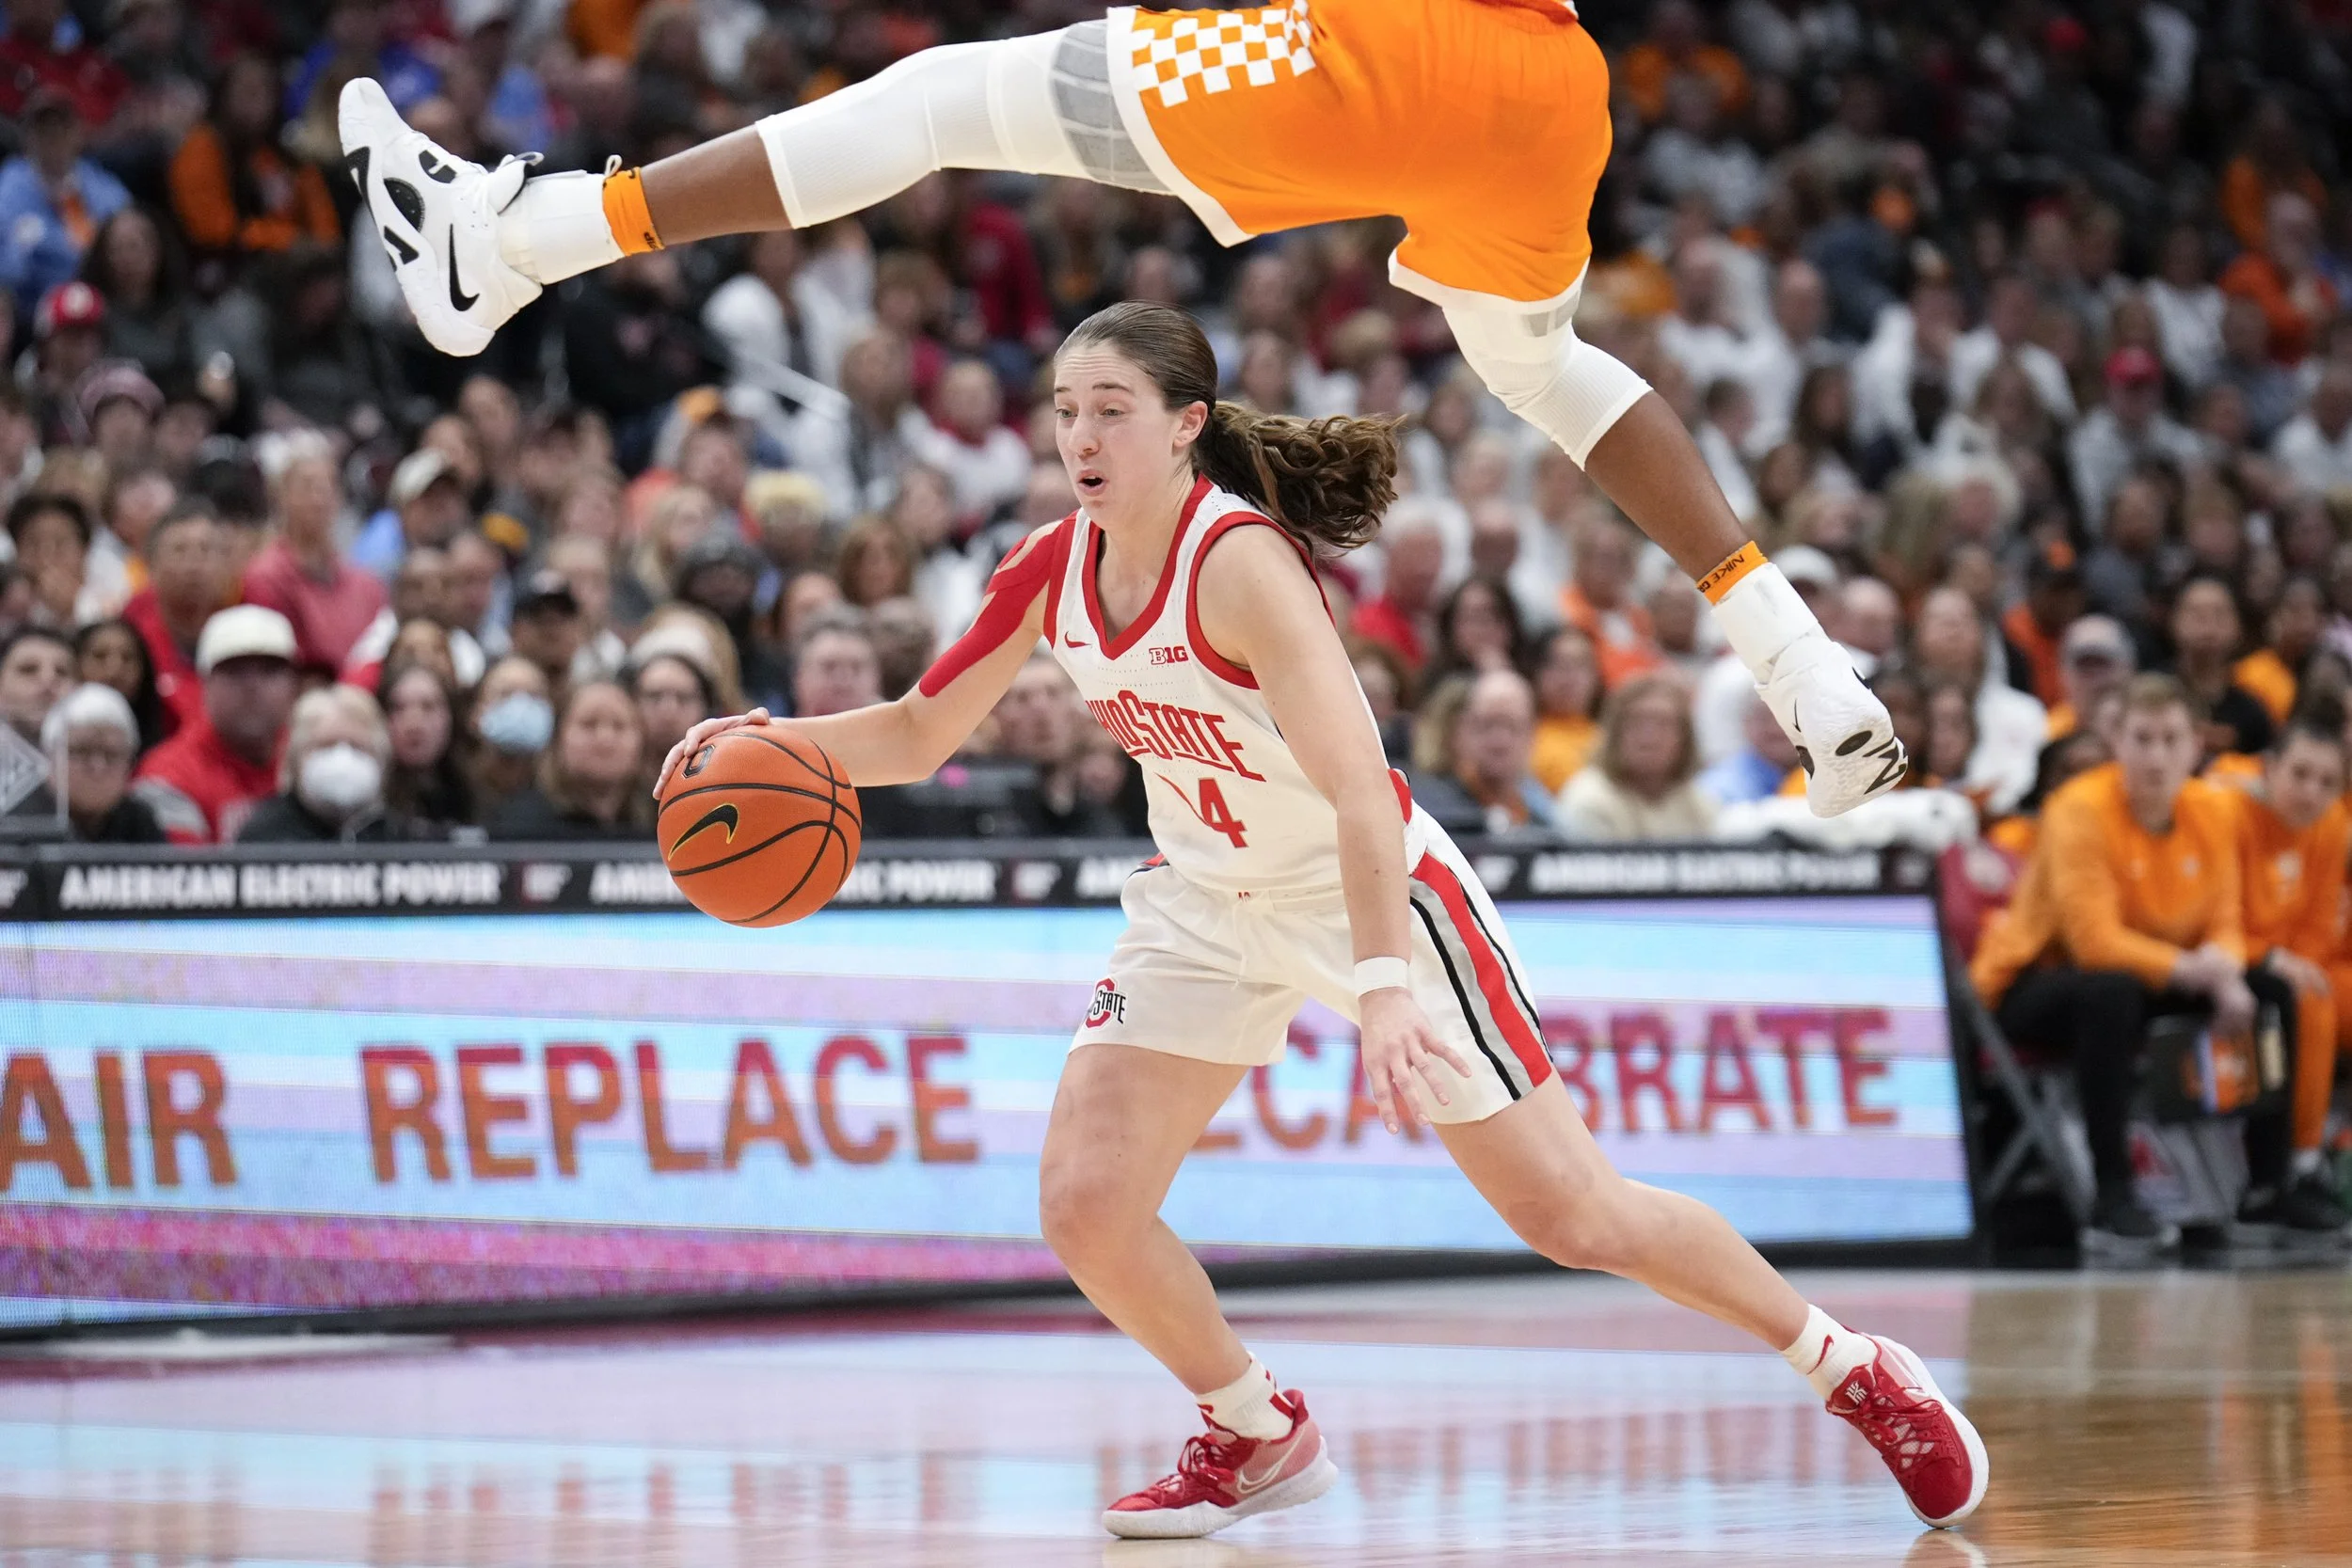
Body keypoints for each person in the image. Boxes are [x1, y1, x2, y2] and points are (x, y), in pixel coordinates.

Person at [655, 303, 1982, 1537]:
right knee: (1087, 1204)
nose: (1079, 436)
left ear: (1185, 423)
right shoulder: (1048, 565)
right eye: (1064, 409)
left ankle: (1849, 1363)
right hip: (1203, 900)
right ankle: (1254, 1426)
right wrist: (758, 739)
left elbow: (1359, 794)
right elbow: (917, 729)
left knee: (1576, 1213)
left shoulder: (1239, 566)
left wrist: (1387, 985)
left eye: (1110, 407)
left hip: (1372, 887)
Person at [342, 0, 1905, 820]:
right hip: (1549, 87)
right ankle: (1804, 666)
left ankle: (518, 238)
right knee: (1542, 366)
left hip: (1386, 43)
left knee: (944, 99)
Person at [1970, 674, 2305, 1251]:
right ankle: (2112, 1196)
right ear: (2115, 742)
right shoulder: (2076, 809)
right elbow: (2092, 943)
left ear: (2197, 745)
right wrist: (2200, 972)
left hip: (2152, 971)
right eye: (2142, 739)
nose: (2156, 756)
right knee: (2111, 992)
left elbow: (2226, 920)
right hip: (2036, 980)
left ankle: (2268, 1189)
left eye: (2171, 739)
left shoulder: (2216, 809)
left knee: (2271, 990)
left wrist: (2226, 972)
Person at [2222, 708, 2352, 1230]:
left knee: (2316, 988)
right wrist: (2270, 956)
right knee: (2309, 1003)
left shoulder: (2333, 826)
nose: (2311, 791)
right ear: (2269, 768)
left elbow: (2321, 925)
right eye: (2300, 774)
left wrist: (2296, 959)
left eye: (2327, 781)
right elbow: (2215, 913)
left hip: (2301, 959)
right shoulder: (2227, 812)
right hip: (2235, 956)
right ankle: (2298, 1165)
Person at [132, 605, 299, 843]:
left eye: (269, 670)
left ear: (294, 685)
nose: (252, 686)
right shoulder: (167, 776)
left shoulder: (313, 762)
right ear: (204, 685)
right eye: (234, 672)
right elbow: (184, 876)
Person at [241, 443, 387, 674]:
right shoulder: (265, 577)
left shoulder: (367, 585)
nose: (319, 497)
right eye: (307, 487)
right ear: (281, 497)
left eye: (328, 487)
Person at [1556, 671, 1717, 842]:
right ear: (1615, 733)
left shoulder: (1698, 802)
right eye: (1637, 722)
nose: (1649, 737)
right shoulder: (1589, 800)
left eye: (1663, 724)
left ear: (1685, 737)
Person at [487, 678, 653, 841]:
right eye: (589, 724)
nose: (605, 740)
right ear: (558, 737)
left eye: (619, 726)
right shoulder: (517, 824)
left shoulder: (659, 819)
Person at [237, 685, 399, 844]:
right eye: (326, 745)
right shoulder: (263, 836)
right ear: (296, 757)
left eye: (357, 746)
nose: (342, 759)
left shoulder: (402, 836)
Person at [39, 682, 164, 842]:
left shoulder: (141, 820)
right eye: (82, 751)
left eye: (111, 754)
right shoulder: (22, 821)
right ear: (50, 757)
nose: (98, 767)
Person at [378, 658, 473, 837]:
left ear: (451, 717)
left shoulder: (476, 796)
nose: (414, 724)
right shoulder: (368, 804)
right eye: (398, 708)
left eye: (428, 707)